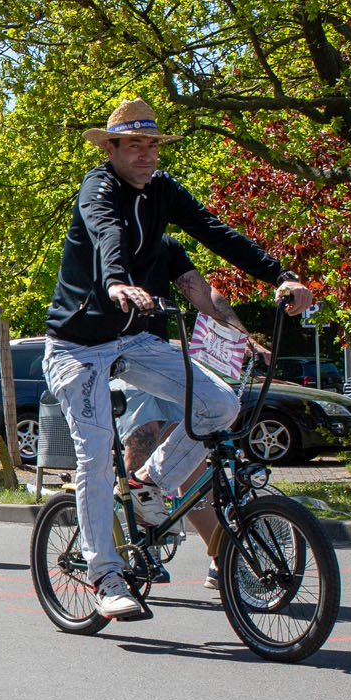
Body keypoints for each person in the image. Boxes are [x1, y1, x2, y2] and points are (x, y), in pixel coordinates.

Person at [43, 99, 311, 620]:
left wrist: (280, 275)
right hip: (77, 346)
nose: (146, 156)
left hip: (135, 341)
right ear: (112, 149)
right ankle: (106, 574)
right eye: (134, 146)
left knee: (221, 406)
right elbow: (106, 234)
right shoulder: (98, 189)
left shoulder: (164, 193)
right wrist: (118, 281)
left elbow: (216, 234)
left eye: (153, 146)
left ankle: (149, 484)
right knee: (96, 455)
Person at [112, 241, 269, 590]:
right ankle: (140, 547)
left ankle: (221, 561)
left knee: (192, 454)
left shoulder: (165, 245)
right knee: (145, 431)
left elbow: (202, 291)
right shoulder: (107, 232)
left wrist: (244, 339)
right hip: (118, 356)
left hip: (158, 354)